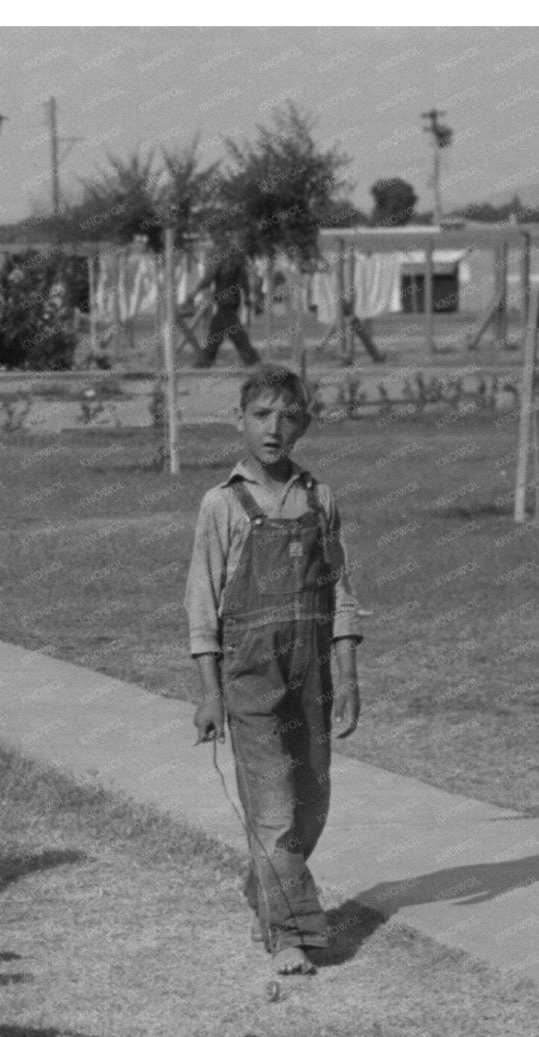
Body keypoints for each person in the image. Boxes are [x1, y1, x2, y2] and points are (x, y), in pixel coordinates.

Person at [185, 366, 362, 976]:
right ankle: (292, 935)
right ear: (240, 420)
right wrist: (209, 694)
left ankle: (266, 881)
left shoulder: (320, 499)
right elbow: (202, 604)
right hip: (250, 676)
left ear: (303, 425)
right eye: (261, 415)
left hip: (312, 675)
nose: (273, 428)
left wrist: (349, 677)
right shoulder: (222, 504)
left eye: (287, 416)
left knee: (311, 805)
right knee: (274, 810)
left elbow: (341, 591)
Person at [190, 247, 261, 368]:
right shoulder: (237, 260)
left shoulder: (220, 260)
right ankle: (207, 359)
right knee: (215, 330)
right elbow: (244, 281)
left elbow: (208, 279)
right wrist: (247, 297)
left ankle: (252, 359)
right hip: (232, 300)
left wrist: (193, 293)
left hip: (224, 301)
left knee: (236, 333)